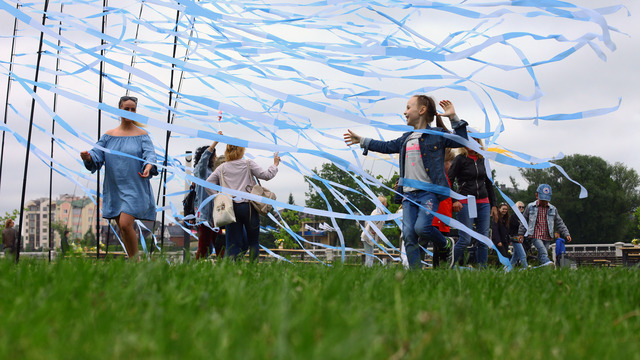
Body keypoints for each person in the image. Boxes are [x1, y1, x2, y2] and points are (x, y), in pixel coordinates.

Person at [344, 96, 468, 269]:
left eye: (408, 107)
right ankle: (414, 277)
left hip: (429, 194)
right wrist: (363, 140)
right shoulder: (406, 138)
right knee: (408, 235)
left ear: (422, 110)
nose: (405, 111)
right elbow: (386, 146)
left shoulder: (437, 136)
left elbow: (461, 140)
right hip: (408, 195)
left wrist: (453, 118)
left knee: (422, 229)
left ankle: (447, 244)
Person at [81, 95, 158, 259]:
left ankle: (137, 262)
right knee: (123, 228)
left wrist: (149, 166)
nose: (130, 112)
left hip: (135, 188)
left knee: (124, 223)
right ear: (119, 110)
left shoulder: (142, 135)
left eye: (133, 109)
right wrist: (87, 157)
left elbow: (150, 155)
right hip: (115, 188)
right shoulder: (109, 136)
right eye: (126, 109)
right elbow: (96, 156)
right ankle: (134, 262)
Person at [206, 145, 280, 261]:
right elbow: (266, 175)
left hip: (231, 209)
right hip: (249, 207)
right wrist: (275, 165)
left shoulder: (222, 168)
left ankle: (230, 269)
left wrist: (219, 198)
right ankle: (253, 268)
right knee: (253, 242)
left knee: (233, 243)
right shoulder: (248, 164)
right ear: (241, 150)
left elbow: (208, 183)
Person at [448, 137, 498, 268]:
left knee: (484, 239)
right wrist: (454, 200)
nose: (471, 143)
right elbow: (449, 180)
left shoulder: (483, 160)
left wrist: (494, 205)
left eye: (474, 140)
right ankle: (449, 265)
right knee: (465, 239)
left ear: (478, 142)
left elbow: (489, 183)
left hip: (484, 203)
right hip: (465, 201)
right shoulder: (460, 159)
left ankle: (483, 269)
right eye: (468, 140)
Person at [517, 184, 572, 268]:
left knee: (541, 255)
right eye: (542, 200)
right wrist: (521, 233)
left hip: (547, 235)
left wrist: (566, 233)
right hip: (535, 234)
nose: (544, 202)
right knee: (543, 252)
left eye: (546, 200)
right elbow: (524, 221)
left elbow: (559, 222)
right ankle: (548, 263)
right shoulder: (530, 207)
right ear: (537, 196)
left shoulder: (553, 209)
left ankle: (539, 269)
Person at [193, 131, 223, 260]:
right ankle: (197, 268)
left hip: (215, 215)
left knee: (220, 242)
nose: (215, 158)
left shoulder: (212, 172)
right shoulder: (202, 171)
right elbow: (203, 161)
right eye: (214, 155)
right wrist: (215, 142)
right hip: (205, 215)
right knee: (204, 245)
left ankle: (225, 268)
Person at [360, 196, 388, 267]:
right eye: (385, 202)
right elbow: (371, 220)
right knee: (369, 256)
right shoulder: (377, 212)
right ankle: (367, 270)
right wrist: (373, 230)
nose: (386, 204)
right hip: (368, 236)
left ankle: (368, 269)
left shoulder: (380, 212)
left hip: (370, 236)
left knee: (370, 255)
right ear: (382, 203)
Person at [509, 201, 528, 268]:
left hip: (521, 238)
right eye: (520, 207)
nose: (521, 208)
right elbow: (518, 226)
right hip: (515, 238)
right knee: (523, 255)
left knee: (515, 257)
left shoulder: (523, 217)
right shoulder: (513, 217)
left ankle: (507, 270)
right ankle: (526, 269)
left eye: (523, 207)